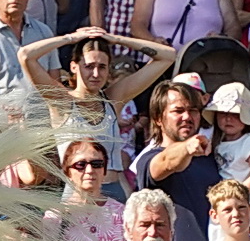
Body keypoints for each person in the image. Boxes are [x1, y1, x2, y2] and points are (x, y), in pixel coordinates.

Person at [19, 26, 172, 186]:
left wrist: (116, 39)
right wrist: (70, 38)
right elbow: (25, 55)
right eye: (89, 66)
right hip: (77, 196)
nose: (96, 74)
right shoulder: (61, 101)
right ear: (74, 67)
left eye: (102, 67)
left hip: (114, 192)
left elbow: (167, 56)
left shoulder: (113, 99)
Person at [131, 80, 222, 241]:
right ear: (158, 118)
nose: (187, 117)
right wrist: (188, 147)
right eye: (178, 111)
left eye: (193, 110)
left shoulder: (209, 158)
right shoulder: (149, 159)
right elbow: (166, 162)